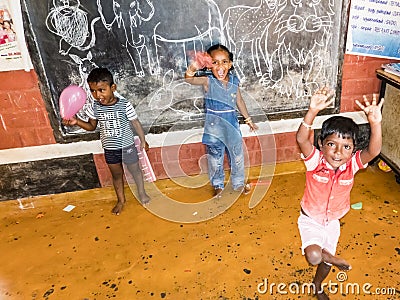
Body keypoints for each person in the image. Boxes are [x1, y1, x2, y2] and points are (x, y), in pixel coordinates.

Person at [296, 87, 384, 299]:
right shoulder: (315, 162)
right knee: (315, 256)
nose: (338, 152)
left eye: (346, 146)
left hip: (333, 221)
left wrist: (375, 123)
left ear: (353, 150)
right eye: (332, 145)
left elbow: (374, 151)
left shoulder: (352, 165)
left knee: (323, 264)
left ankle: (317, 286)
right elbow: (301, 139)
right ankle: (332, 258)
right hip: (310, 219)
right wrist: (312, 111)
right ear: (321, 145)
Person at [62, 67, 150, 215]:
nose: (97, 95)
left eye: (102, 90)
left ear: (113, 88)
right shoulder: (95, 107)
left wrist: (143, 140)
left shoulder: (124, 104)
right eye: (93, 91)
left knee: (135, 170)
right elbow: (91, 126)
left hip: (127, 146)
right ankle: (121, 200)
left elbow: (135, 123)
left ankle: (142, 193)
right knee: (117, 175)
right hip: (110, 149)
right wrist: (76, 122)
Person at [185, 44, 258, 198]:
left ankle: (238, 183)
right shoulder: (207, 81)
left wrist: (248, 119)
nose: (220, 66)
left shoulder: (234, 81)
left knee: (237, 155)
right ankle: (218, 185)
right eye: (215, 62)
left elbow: (239, 101)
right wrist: (194, 67)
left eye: (224, 62)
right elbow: (189, 79)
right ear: (209, 65)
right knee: (215, 157)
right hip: (214, 127)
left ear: (230, 64)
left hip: (231, 124)